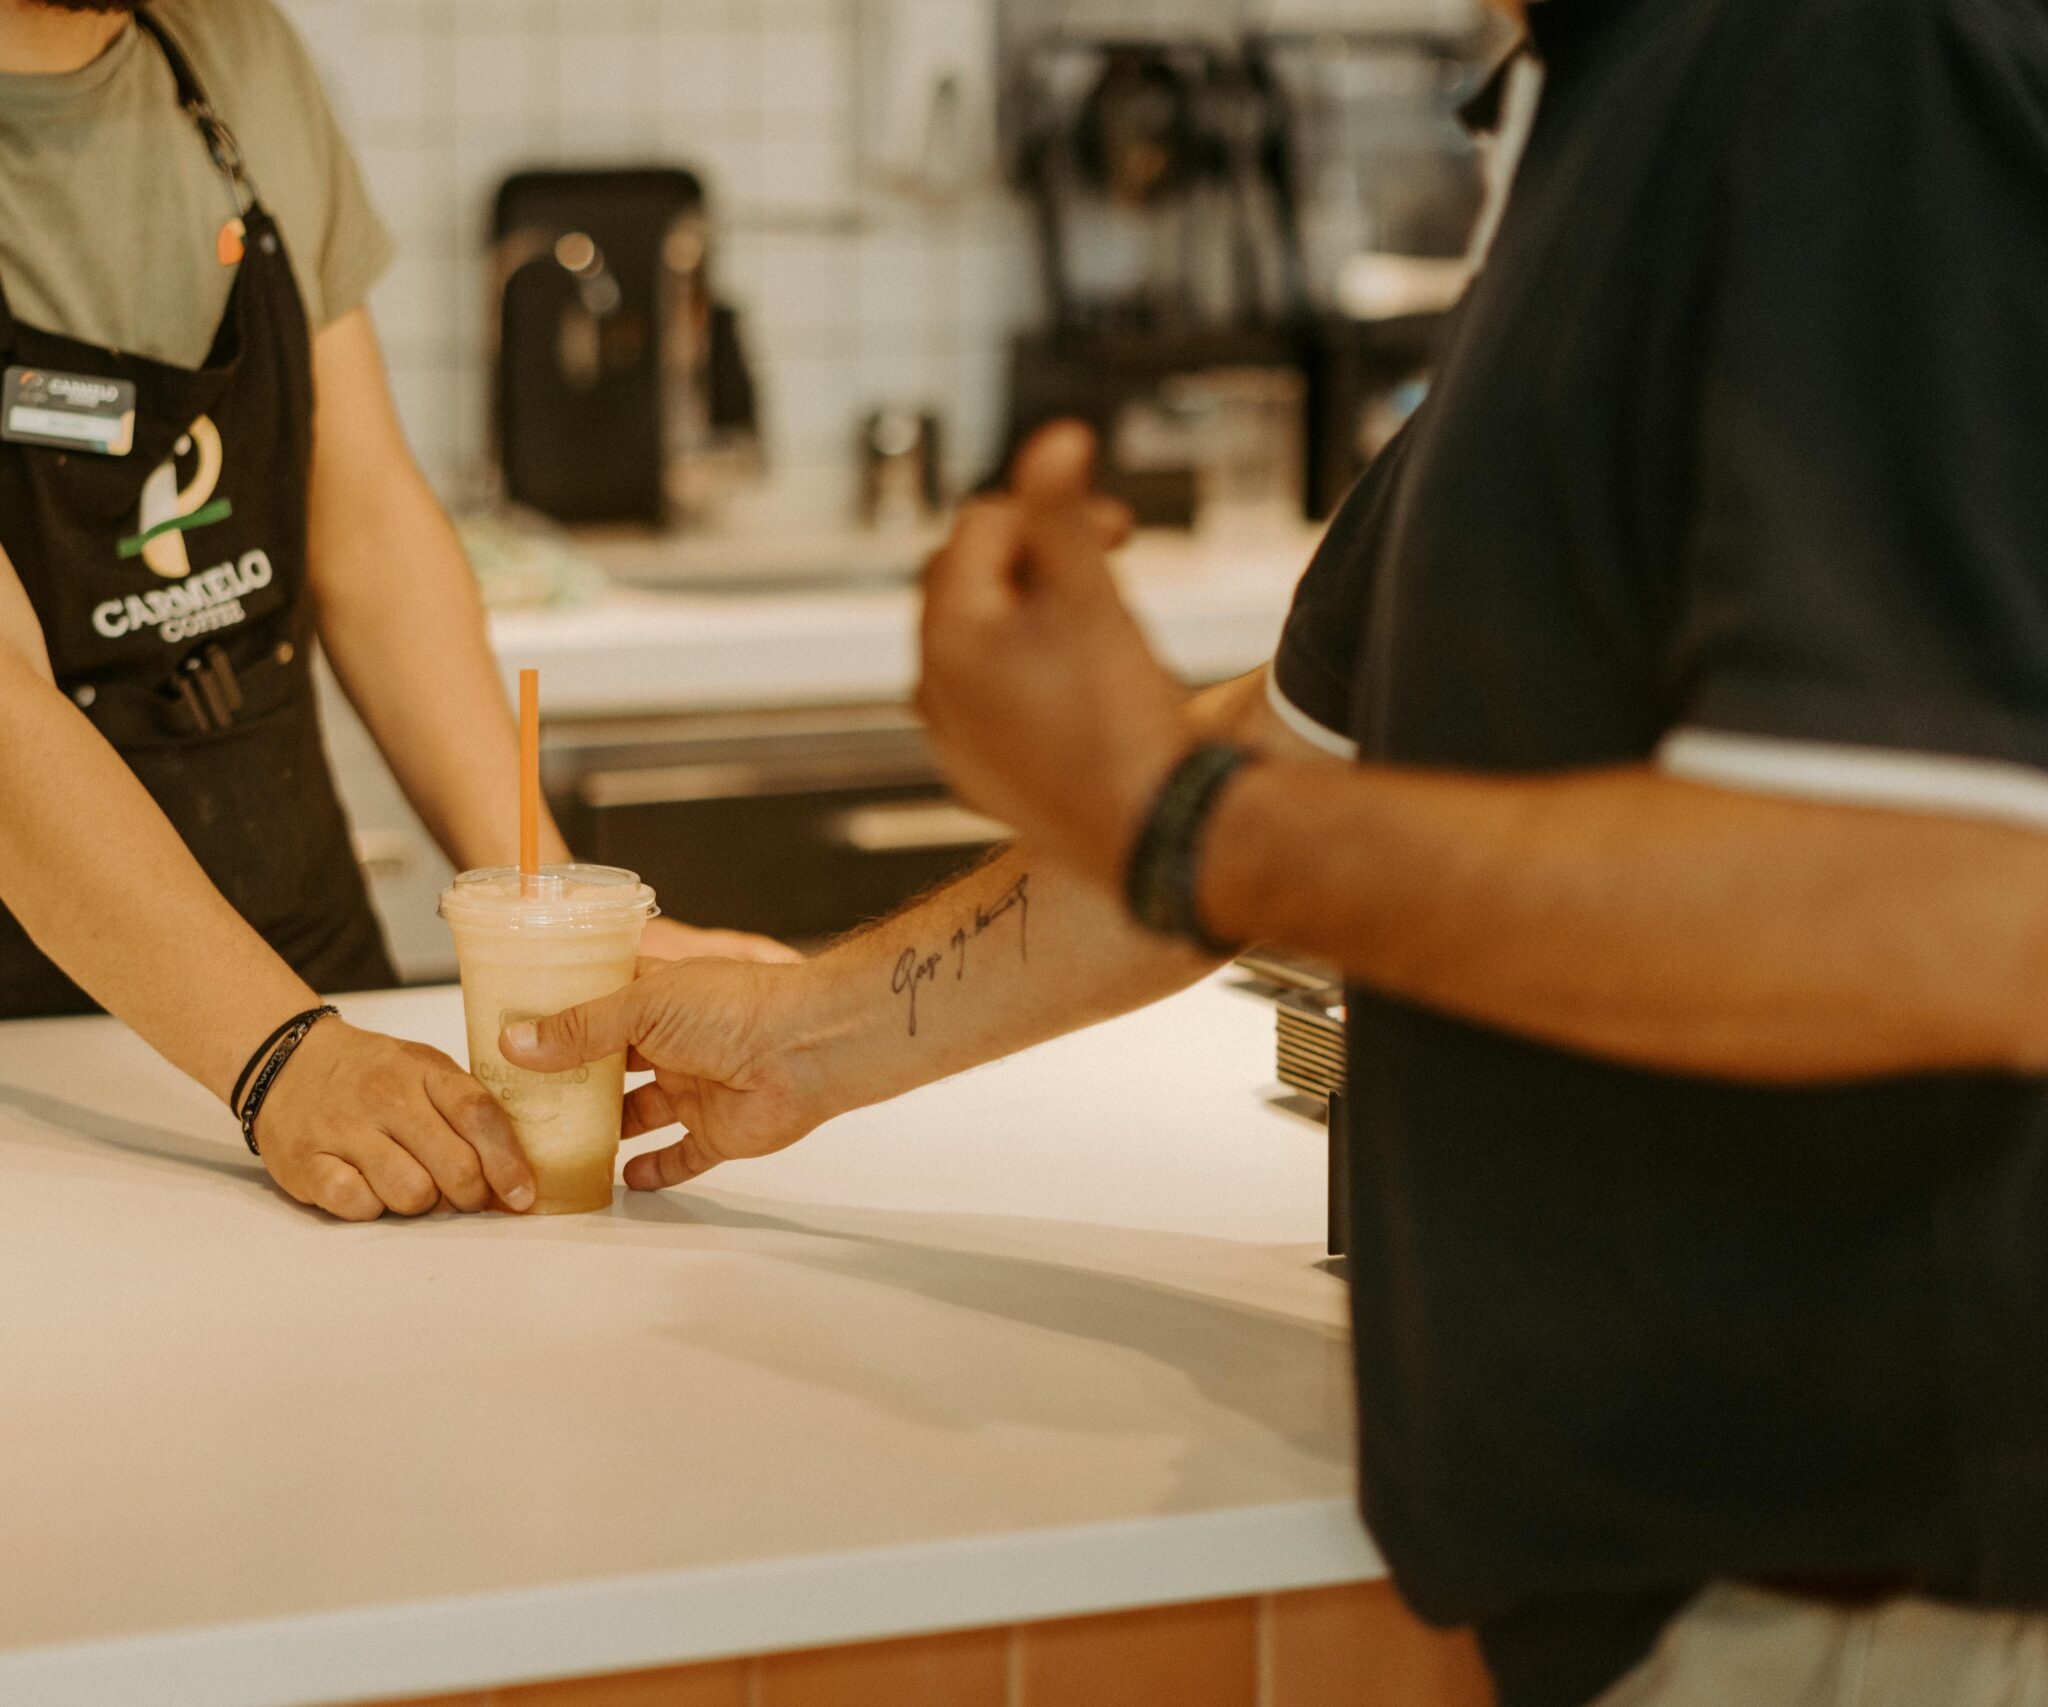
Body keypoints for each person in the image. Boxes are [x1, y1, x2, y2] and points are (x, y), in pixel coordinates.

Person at [501, 0, 2048, 1699]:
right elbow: (1294, 749)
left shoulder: (1850, 54)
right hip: (1676, 1583)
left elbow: (1955, 909)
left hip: (1886, 1612)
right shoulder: (1626, 105)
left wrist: (1183, 824)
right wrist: (800, 1035)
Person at [0, 0, 785, 1224]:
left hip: (317, 992)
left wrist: (559, 922)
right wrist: (278, 1058)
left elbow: (372, 530)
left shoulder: (230, 54)